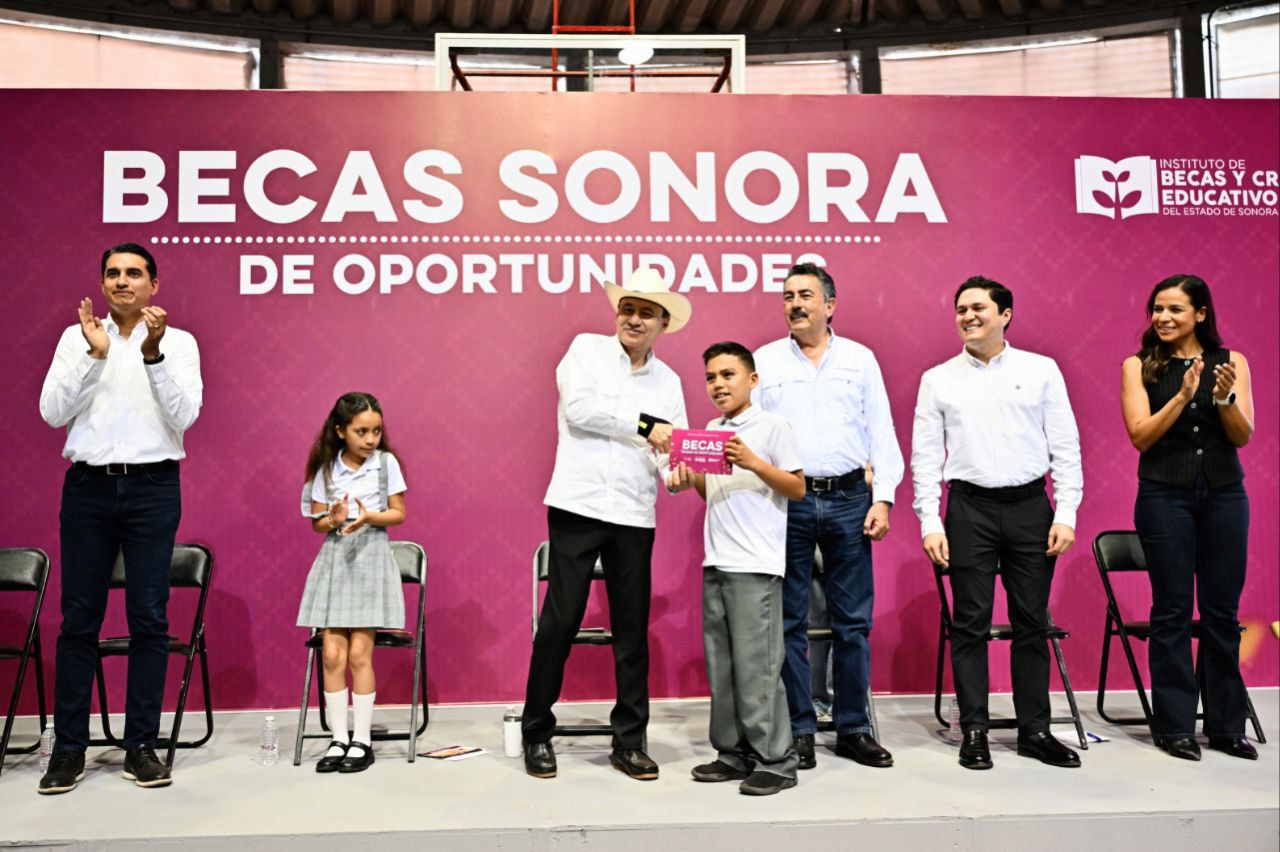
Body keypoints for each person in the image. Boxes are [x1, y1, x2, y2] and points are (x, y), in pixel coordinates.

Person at [37, 243, 203, 794]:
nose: (122, 281)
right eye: (112, 273)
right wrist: (94, 355)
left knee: (148, 618)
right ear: (103, 283)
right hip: (88, 488)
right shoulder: (77, 338)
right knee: (79, 618)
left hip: (154, 487)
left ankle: (141, 746)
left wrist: (153, 356)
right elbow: (52, 413)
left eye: (134, 273)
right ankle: (68, 750)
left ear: (154, 284)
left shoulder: (179, 343)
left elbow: (185, 415)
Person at [522, 268, 691, 780]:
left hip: (634, 513)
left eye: (646, 313)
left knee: (632, 631)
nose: (634, 319)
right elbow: (580, 410)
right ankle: (536, 732)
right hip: (578, 503)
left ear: (663, 323)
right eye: (628, 309)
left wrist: (679, 474)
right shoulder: (586, 350)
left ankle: (629, 742)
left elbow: (671, 448)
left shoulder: (669, 382)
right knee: (560, 621)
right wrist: (646, 426)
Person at [911, 275, 1083, 770]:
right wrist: (929, 521)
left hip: (1031, 508)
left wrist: (1066, 512)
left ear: (1005, 314)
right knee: (970, 624)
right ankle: (975, 731)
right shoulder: (938, 379)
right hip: (969, 510)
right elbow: (926, 457)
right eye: (961, 309)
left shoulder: (1041, 370)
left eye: (978, 308)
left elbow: (1065, 446)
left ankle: (1035, 731)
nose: (968, 316)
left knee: (1033, 622)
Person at [753, 262, 902, 771]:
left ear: (830, 305)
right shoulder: (765, 361)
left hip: (850, 499)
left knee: (852, 623)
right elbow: (753, 431)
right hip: (789, 500)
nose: (795, 304)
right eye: (788, 296)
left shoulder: (860, 360)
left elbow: (881, 430)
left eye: (805, 295)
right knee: (789, 622)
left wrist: (883, 498)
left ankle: (854, 727)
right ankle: (799, 729)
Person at [1120, 275, 1257, 762]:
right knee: (1172, 610)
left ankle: (1226, 726)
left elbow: (1242, 436)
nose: (1162, 317)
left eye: (1175, 309)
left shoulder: (1232, 362)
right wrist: (1181, 396)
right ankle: (1174, 725)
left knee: (1222, 613)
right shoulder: (1138, 366)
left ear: (1200, 313)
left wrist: (1223, 399)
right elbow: (1140, 436)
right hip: (1164, 496)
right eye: (1157, 309)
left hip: (1224, 495)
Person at [667, 342, 805, 796]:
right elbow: (712, 492)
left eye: (728, 374)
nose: (718, 384)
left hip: (756, 563)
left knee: (758, 667)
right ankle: (733, 753)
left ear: (753, 379)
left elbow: (797, 488)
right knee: (723, 666)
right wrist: (689, 477)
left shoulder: (773, 426)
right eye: (711, 377)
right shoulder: (711, 430)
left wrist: (753, 462)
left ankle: (777, 760)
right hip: (717, 560)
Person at [297, 392, 407, 774]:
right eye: (362, 431)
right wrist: (334, 517)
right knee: (332, 655)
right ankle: (338, 738)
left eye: (376, 431)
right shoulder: (326, 469)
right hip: (336, 560)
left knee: (360, 654)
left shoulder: (385, 464)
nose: (371, 439)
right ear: (341, 430)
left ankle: (362, 740)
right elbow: (317, 523)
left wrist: (368, 517)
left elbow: (398, 513)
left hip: (371, 557)